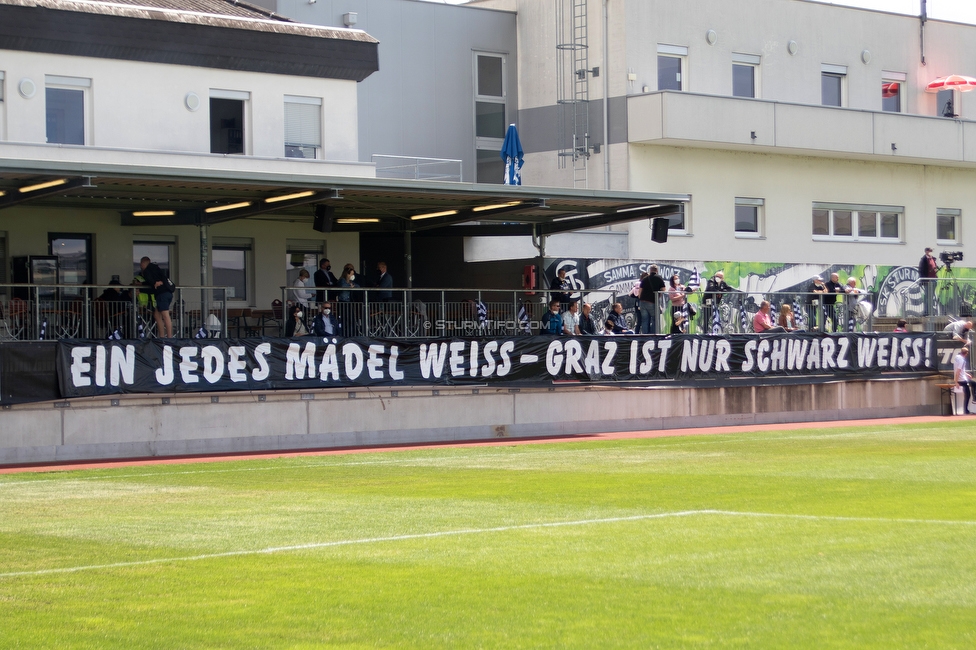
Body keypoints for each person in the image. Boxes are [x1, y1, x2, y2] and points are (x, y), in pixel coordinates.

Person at [139, 256, 174, 338]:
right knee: (157, 315)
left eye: (141, 264)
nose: (141, 266)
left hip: (162, 294)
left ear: (143, 263)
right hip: (167, 293)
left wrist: (153, 283)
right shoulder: (157, 268)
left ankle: (169, 337)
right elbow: (152, 286)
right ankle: (161, 336)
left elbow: (152, 284)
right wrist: (142, 286)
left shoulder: (147, 271)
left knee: (165, 315)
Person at [639, 265, 665, 334]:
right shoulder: (659, 278)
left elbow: (640, 291)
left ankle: (645, 336)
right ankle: (653, 335)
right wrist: (659, 297)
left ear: (650, 270)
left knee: (645, 320)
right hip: (652, 301)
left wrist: (640, 299)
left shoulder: (645, 279)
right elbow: (663, 290)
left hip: (643, 301)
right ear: (657, 270)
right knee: (654, 319)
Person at [954, 347, 976, 415]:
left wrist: (966, 374)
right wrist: (956, 382)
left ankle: (966, 410)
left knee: (968, 394)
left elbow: (960, 370)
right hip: (962, 380)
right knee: (974, 384)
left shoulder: (957, 357)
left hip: (962, 378)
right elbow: (958, 371)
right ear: (966, 354)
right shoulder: (962, 360)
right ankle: (974, 399)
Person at [918, 247, 939, 316]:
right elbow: (921, 270)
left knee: (931, 296)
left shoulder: (933, 258)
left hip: (934, 280)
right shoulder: (924, 260)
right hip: (928, 281)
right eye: (930, 251)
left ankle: (931, 311)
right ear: (926, 251)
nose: (931, 252)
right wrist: (924, 280)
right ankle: (927, 312)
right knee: (928, 297)